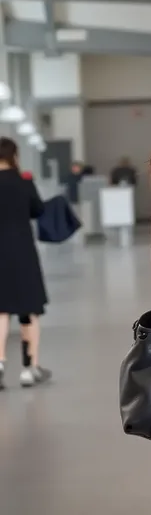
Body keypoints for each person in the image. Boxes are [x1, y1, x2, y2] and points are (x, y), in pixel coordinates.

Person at [0, 137, 52, 389]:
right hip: (21, 253)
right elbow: (38, 210)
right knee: (27, 310)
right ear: (14, 156)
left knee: (0, 311)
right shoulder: (24, 182)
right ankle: (29, 368)